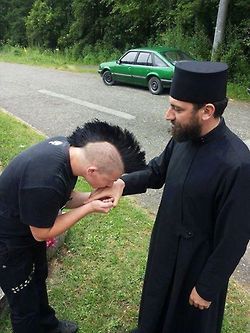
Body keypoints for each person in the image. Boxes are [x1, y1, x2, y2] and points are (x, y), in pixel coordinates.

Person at [89, 61, 250, 333]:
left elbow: (234, 237)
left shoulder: (237, 164)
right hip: (165, 248)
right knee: (154, 309)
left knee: (186, 323)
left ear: (207, 111)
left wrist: (208, 286)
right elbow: (155, 171)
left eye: (177, 108)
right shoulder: (182, 137)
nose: (168, 115)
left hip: (195, 266)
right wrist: (121, 184)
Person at [0, 119, 146, 333]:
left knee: (38, 277)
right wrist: (89, 208)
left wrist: (90, 198)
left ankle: (49, 326)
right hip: (9, 243)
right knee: (24, 303)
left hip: (26, 229)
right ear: (93, 171)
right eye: (111, 179)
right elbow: (42, 233)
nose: (112, 185)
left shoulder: (68, 152)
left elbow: (63, 197)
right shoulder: (45, 179)